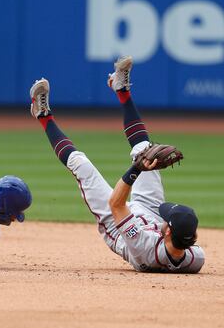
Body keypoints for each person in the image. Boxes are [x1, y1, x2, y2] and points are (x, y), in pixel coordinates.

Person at [28, 56, 205, 273]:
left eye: (168, 220)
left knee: (80, 164)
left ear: (168, 231)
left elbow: (116, 204)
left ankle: (42, 114)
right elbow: (179, 244)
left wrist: (136, 169)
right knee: (145, 150)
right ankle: (121, 89)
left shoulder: (143, 248)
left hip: (117, 224)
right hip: (149, 214)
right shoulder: (195, 258)